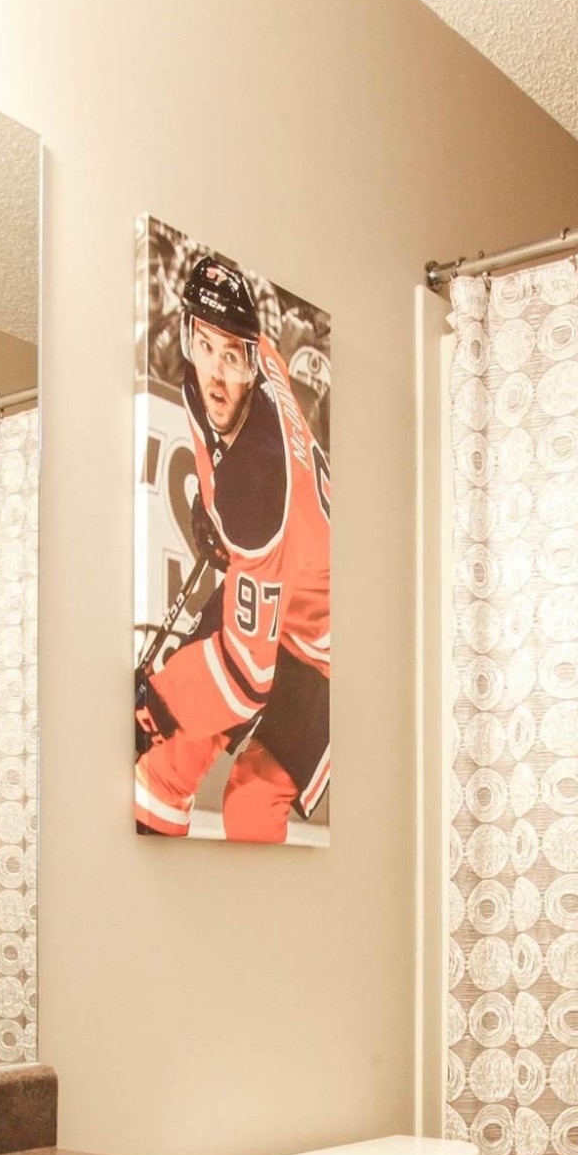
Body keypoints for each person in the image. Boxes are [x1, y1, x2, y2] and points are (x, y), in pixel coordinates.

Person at [133, 252, 330, 840]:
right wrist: (209, 509)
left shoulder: (257, 488)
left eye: (232, 357)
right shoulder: (246, 360)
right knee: (162, 771)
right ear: (190, 336)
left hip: (325, 645)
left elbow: (246, 679)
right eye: (207, 345)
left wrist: (153, 708)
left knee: (249, 805)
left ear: (251, 361)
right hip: (281, 572)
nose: (217, 375)